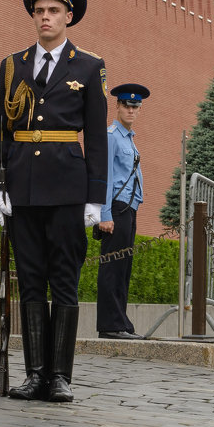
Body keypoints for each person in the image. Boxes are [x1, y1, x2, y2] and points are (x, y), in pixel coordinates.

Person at [0, 0, 107, 403]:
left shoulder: (89, 68)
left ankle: (60, 375)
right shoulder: (11, 66)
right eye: (39, 10)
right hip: (23, 186)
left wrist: (96, 197)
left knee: (65, 282)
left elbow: (96, 139)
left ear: (69, 16)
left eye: (54, 10)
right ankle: (35, 373)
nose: (45, 17)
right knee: (31, 281)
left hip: (67, 189)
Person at [96, 83, 149, 340]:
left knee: (123, 268)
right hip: (116, 209)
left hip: (129, 208)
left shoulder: (129, 138)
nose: (130, 109)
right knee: (112, 267)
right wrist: (104, 215)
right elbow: (104, 176)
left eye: (135, 106)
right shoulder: (111, 136)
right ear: (117, 106)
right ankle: (109, 325)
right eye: (126, 105)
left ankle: (121, 321)